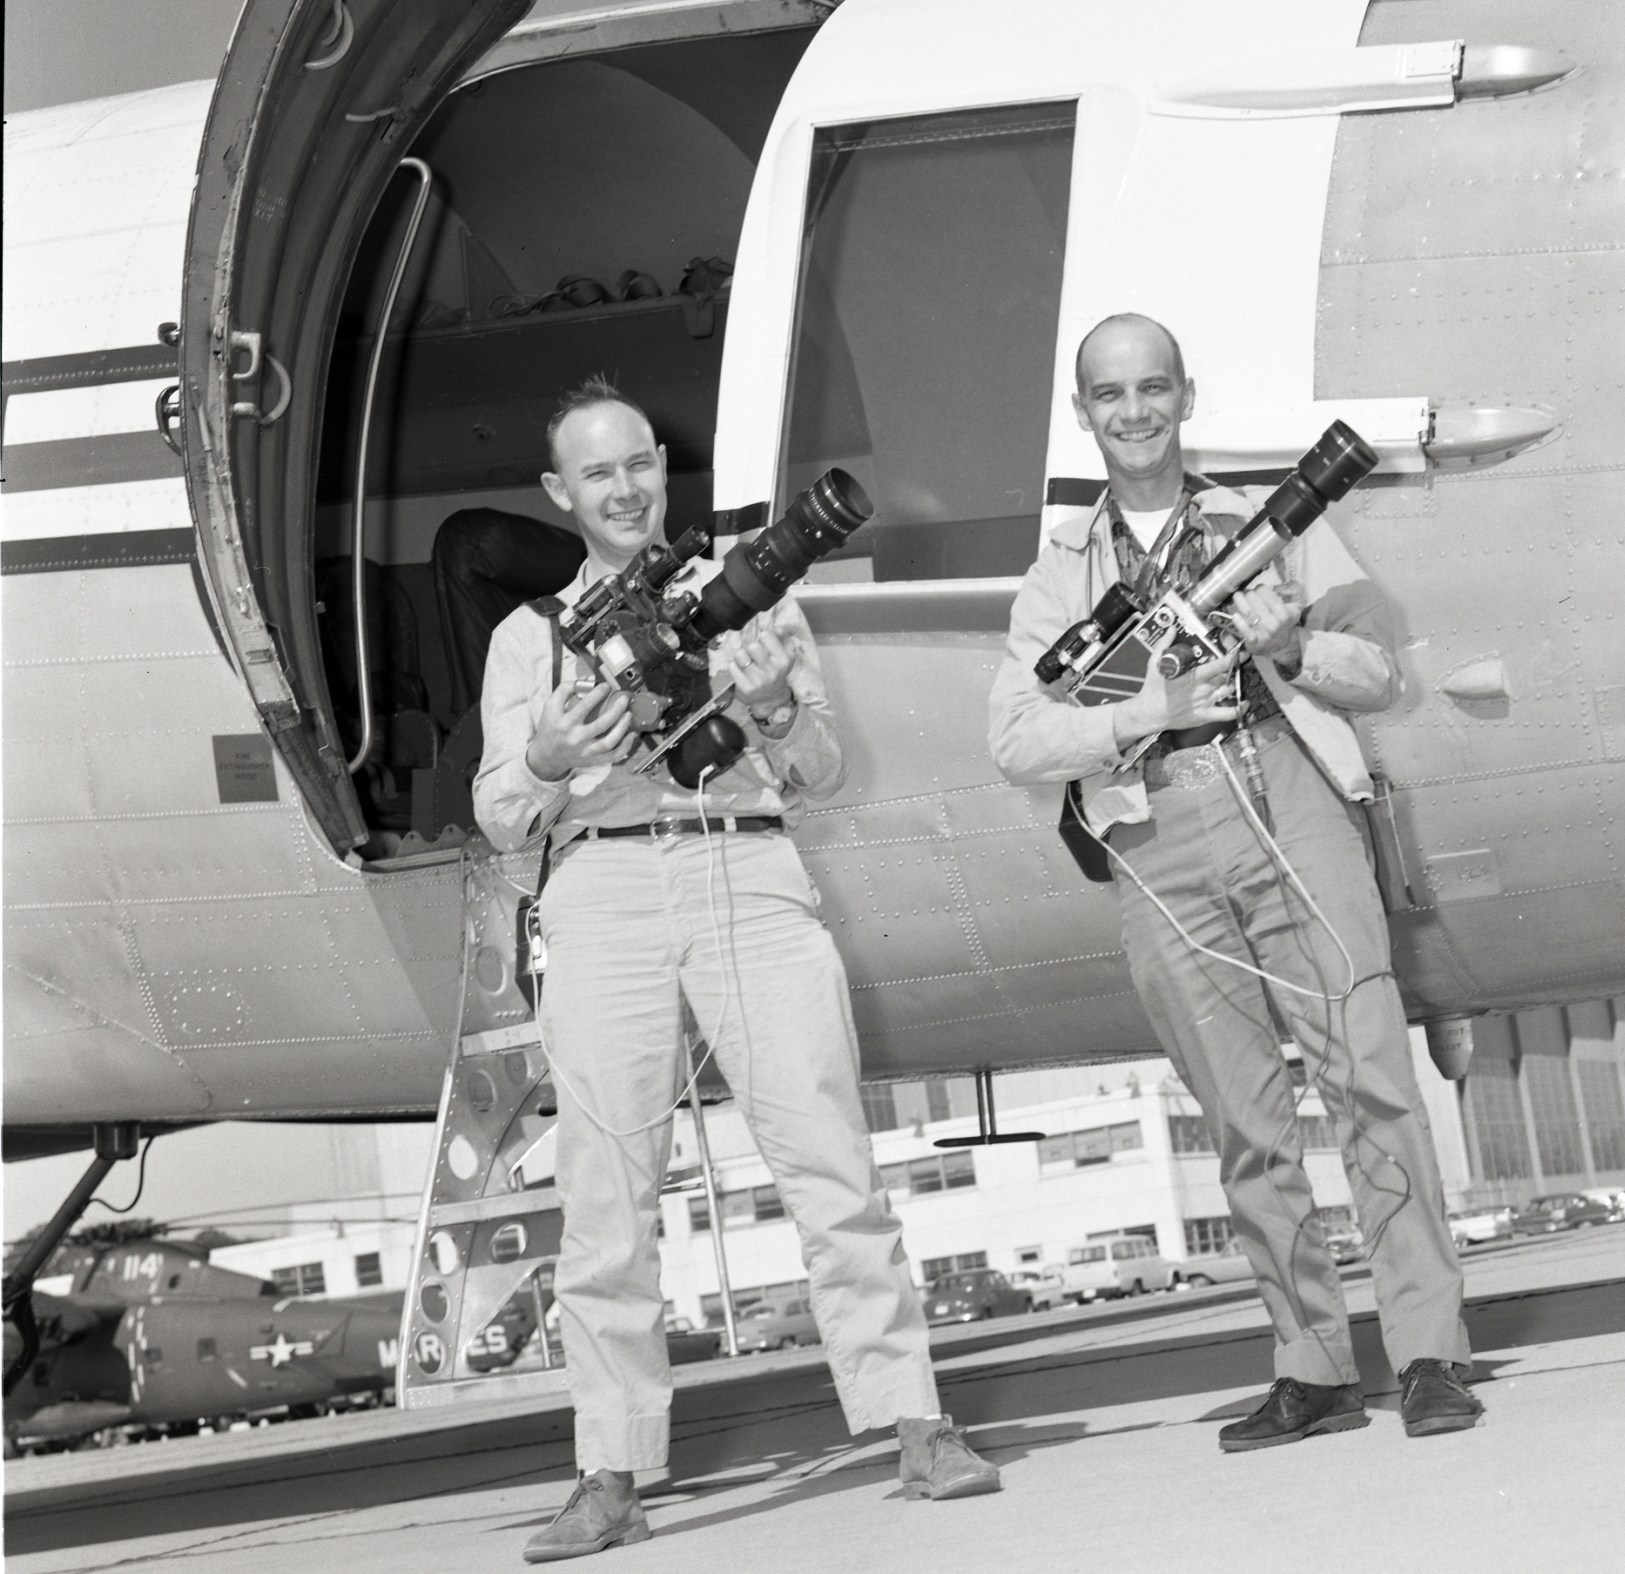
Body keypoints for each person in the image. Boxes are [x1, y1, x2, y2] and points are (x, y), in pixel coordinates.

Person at [475, 377, 998, 1563]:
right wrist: (551, 753)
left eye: (640, 464)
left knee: (827, 1158)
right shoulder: (528, 640)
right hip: (601, 887)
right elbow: (502, 815)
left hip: (748, 869)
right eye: (597, 472)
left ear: (664, 469)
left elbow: (822, 773)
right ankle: (609, 1471)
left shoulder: (747, 607)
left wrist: (768, 707)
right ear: (562, 492)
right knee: (605, 1197)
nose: (624, 488)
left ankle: (913, 1421)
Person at [989, 315, 1482, 1449]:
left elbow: (1376, 671)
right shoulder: (1057, 573)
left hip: (1288, 796)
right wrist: (1140, 714)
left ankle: (1425, 1352)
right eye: (1108, 394)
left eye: (1151, 387)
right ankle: (1308, 1366)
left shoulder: (1271, 528)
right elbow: (1015, 738)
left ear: (1184, 396)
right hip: (1155, 828)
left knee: (1369, 1077)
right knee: (1241, 1115)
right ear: (1081, 413)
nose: (1132, 411)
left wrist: (1292, 644)